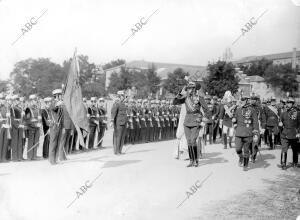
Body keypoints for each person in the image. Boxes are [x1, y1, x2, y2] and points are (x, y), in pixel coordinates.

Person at [173, 81, 209, 167]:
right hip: (187, 121)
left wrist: (202, 119)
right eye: (188, 88)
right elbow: (175, 102)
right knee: (189, 142)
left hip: (196, 121)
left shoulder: (199, 98)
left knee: (193, 141)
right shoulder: (185, 98)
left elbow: (206, 110)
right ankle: (191, 160)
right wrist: (180, 93)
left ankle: (196, 160)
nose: (189, 90)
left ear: (194, 89)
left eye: (191, 88)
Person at [233, 96, 259, 171]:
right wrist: (234, 121)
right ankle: (241, 157)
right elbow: (235, 119)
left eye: (243, 101)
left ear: (247, 101)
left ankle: (245, 165)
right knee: (238, 149)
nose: (242, 102)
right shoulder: (238, 110)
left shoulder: (252, 110)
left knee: (246, 150)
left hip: (248, 132)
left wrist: (255, 132)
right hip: (239, 132)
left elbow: (255, 121)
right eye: (241, 101)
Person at [278, 97, 300, 169]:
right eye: (288, 103)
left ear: (293, 104)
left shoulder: (297, 113)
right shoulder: (283, 113)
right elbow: (280, 122)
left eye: (290, 103)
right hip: (285, 134)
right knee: (284, 149)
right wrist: (280, 125)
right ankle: (283, 163)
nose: (288, 104)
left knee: (295, 149)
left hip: (294, 134)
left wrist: (299, 132)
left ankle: (295, 162)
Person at [24, 94, 41, 160]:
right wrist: (35, 125)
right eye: (34, 100)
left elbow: (39, 118)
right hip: (31, 128)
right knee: (31, 142)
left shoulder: (37, 109)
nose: (35, 101)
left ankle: (34, 156)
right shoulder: (28, 109)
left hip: (37, 128)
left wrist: (39, 124)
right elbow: (27, 120)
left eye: (36, 100)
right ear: (31, 101)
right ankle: (29, 156)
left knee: (36, 141)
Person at [110, 91, 128, 155]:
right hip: (118, 123)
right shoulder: (116, 103)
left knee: (122, 137)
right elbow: (113, 112)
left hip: (124, 122)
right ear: (119, 96)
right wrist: (112, 121)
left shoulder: (123, 103)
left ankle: (120, 150)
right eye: (122, 96)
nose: (123, 97)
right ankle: (116, 151)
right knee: (118, 137)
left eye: (123, 96)